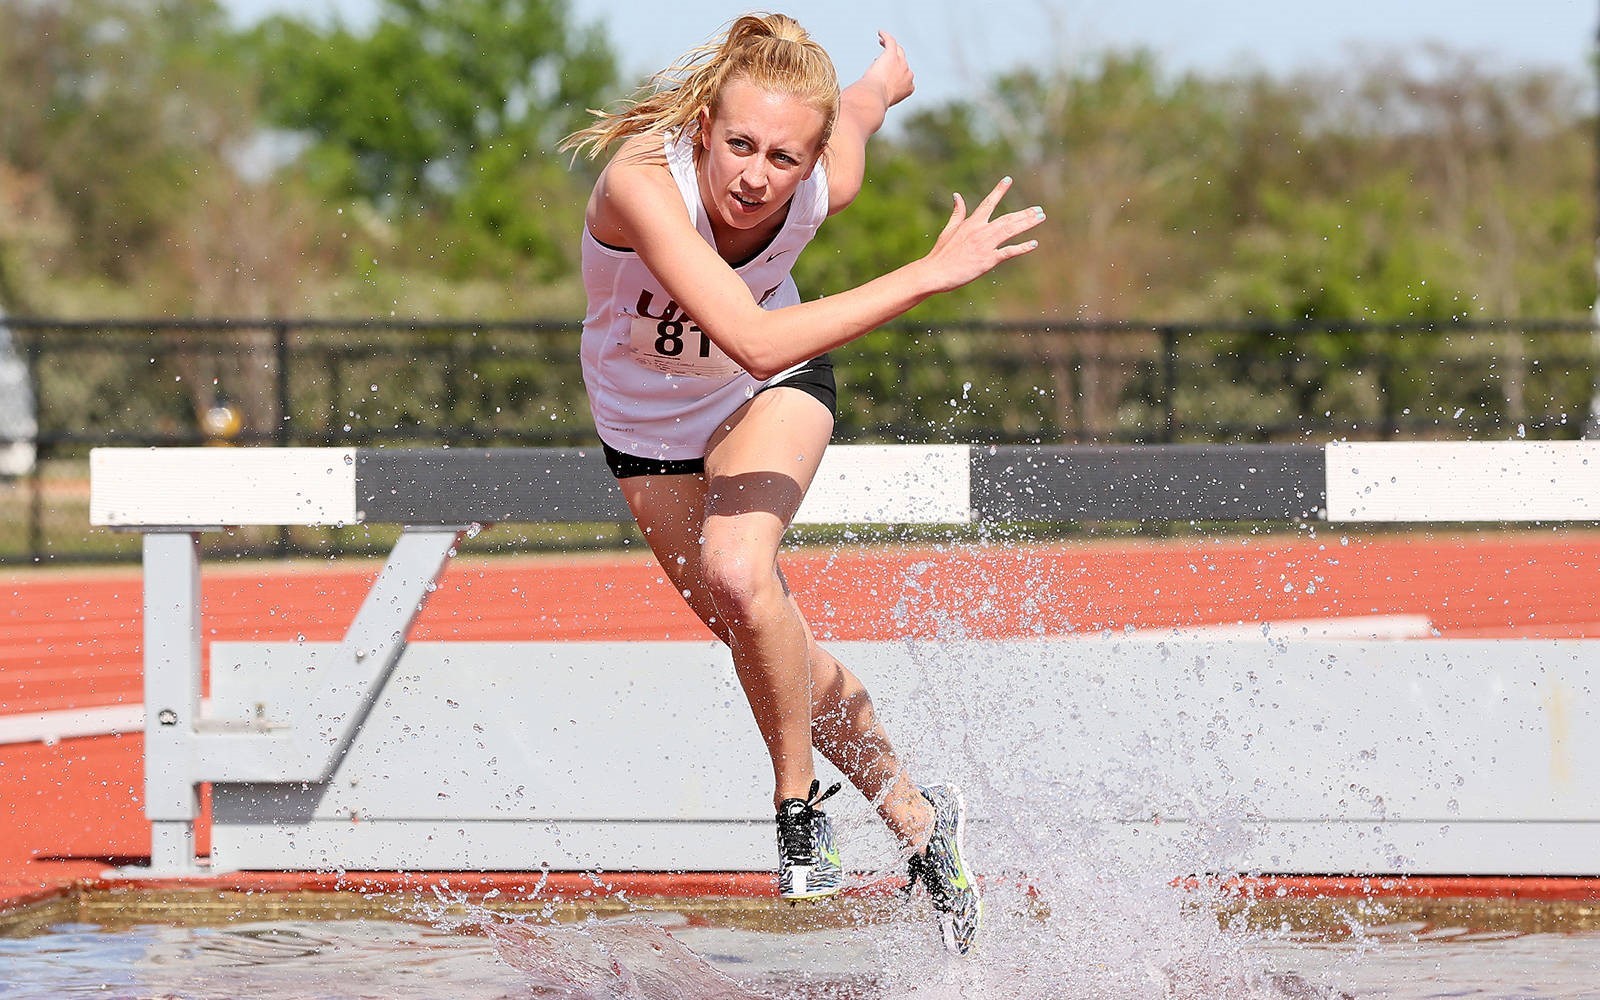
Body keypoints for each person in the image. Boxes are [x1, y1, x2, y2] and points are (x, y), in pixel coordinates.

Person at [560, 12, 1041, 956]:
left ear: (810, 157)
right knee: (761, 636)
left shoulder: (828, 172)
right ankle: (916, 816)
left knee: (742, 573)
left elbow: (855, 116)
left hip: (770, 387)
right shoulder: (641, 184)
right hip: (646, 422)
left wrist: (883, 81)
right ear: (703, 124)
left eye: (784, 157)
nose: (755, 176)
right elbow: (746, 327)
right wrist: (930, 271)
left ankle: (795, 807)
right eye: (738, 144)